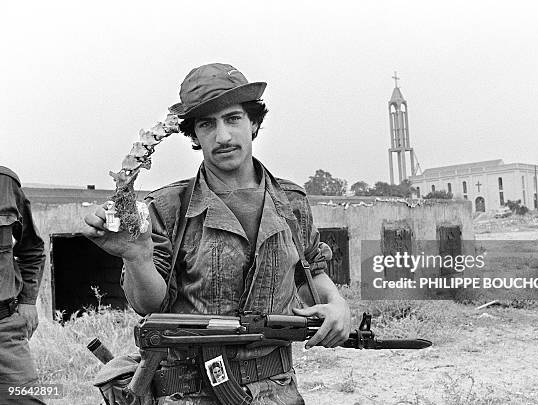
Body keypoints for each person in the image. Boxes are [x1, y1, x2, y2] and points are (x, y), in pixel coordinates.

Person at [84, 63, 351, 404]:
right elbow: (148, 305)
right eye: (207, 124)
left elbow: (310, 275)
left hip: (277, 391)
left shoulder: (291, 202)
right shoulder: (169, 207)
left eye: (233, 119)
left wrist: (337, 304)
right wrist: (136, 255)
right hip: (189, 393)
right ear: (193, 136)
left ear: (254, 123)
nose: (222, 136)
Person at [0, 166, 46, 405]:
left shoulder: (5, 183)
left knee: (26, 399)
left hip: (4, 330)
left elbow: (32, 248)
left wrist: (28, 300)